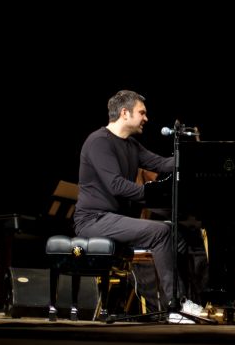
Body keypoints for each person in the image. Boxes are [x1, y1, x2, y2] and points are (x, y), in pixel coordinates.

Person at [72, 90, 204, 323]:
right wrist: (154, 194)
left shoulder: (131, 144)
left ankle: (187, 301)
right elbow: (116, 185)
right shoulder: (99, 142)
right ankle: (175, 307)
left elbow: (160, 163)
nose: (146, 118)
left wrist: (197, 157)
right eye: (142, 113)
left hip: (113, 220)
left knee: (179, 233)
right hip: (93, 220)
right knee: (161, 231)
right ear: (125, 113)